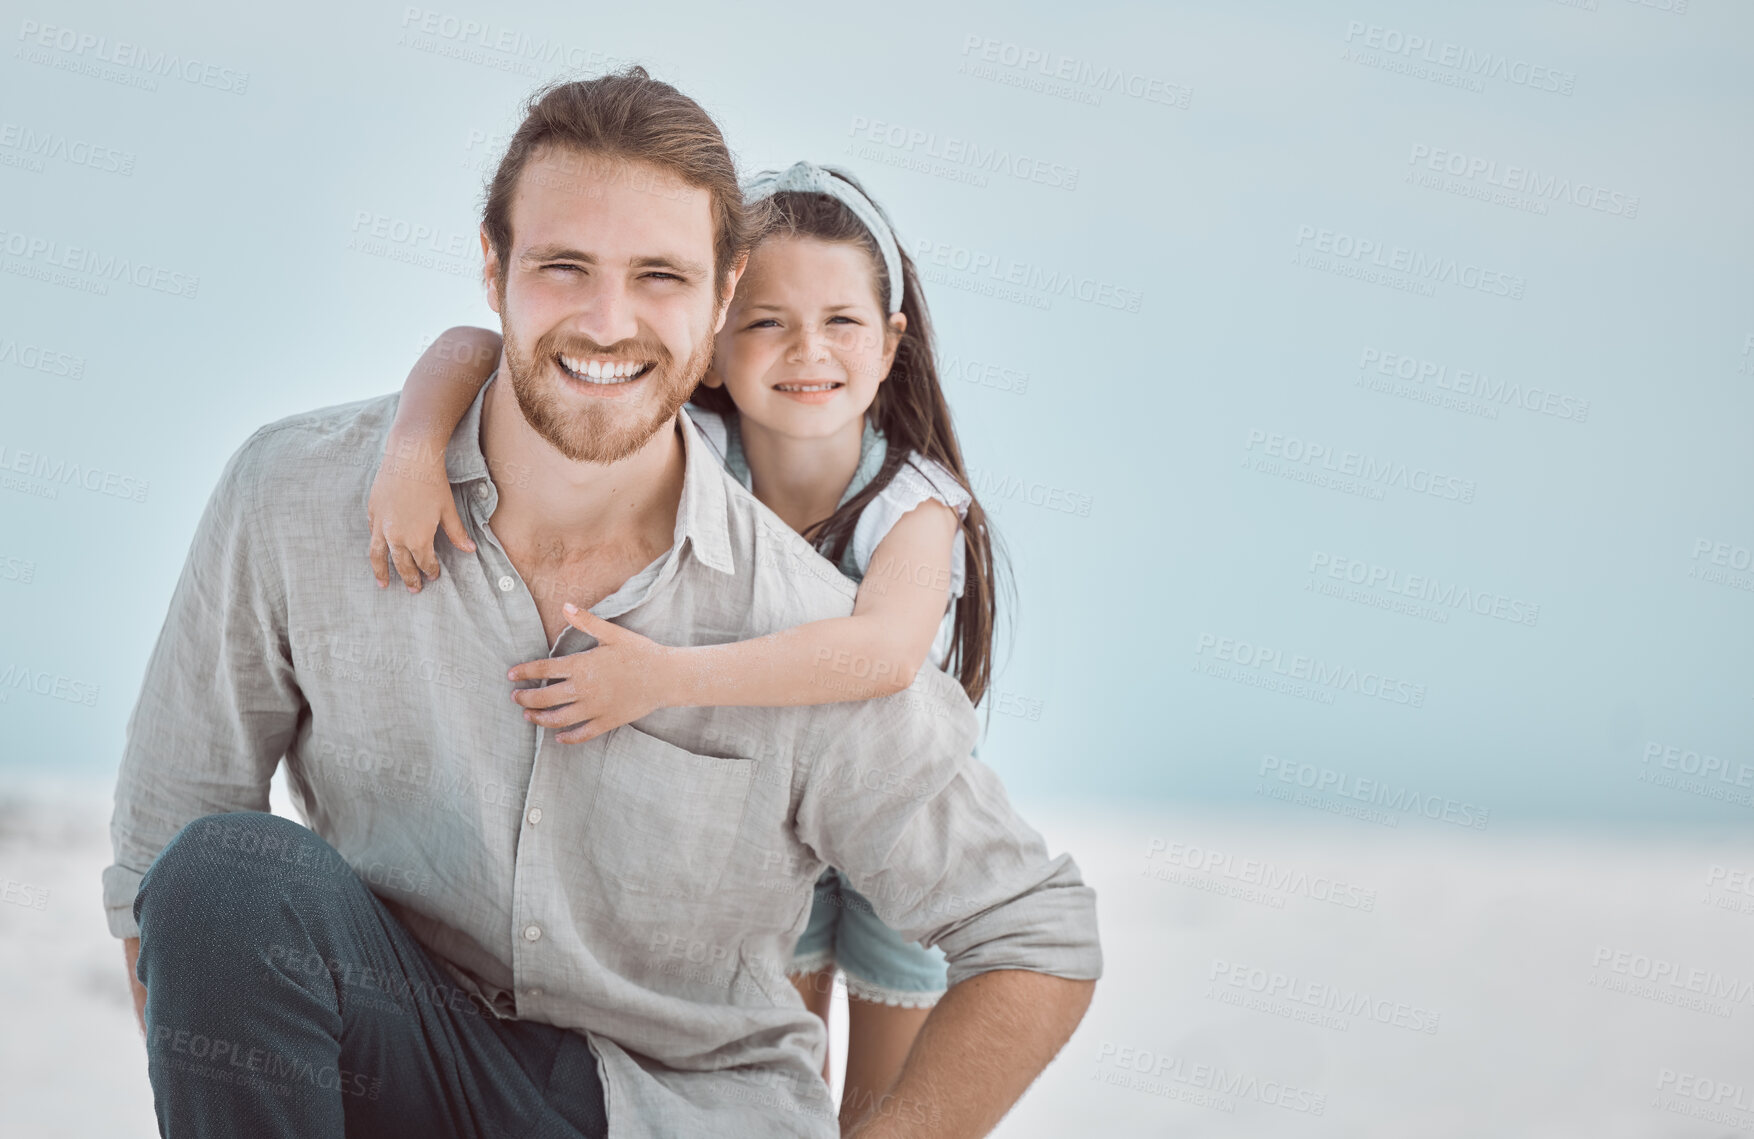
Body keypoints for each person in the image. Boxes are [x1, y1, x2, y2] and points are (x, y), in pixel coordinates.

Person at [105, 70, 1100, 1139]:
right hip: (400, 1062)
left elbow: (1037, 933)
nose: (607, 320)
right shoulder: (294, 495)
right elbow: (158, 856)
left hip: (668, 1109)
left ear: (719, 300)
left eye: (660, 276)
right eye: (562, 265)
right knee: (221, 877)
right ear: (493, 270)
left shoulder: (798, 619)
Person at [364, 160, 997, 1127]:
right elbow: (474, 346)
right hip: (760, 811)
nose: (806, 351)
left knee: (879, 1100)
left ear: (890, 345)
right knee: (768, 1071)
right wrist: (412, 450)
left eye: (841, 323)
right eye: (767, 321)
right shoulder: (694, 442)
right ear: (710, 342)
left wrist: (661, 679)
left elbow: (881, 655)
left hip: (884, 818)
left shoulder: (916, 505)